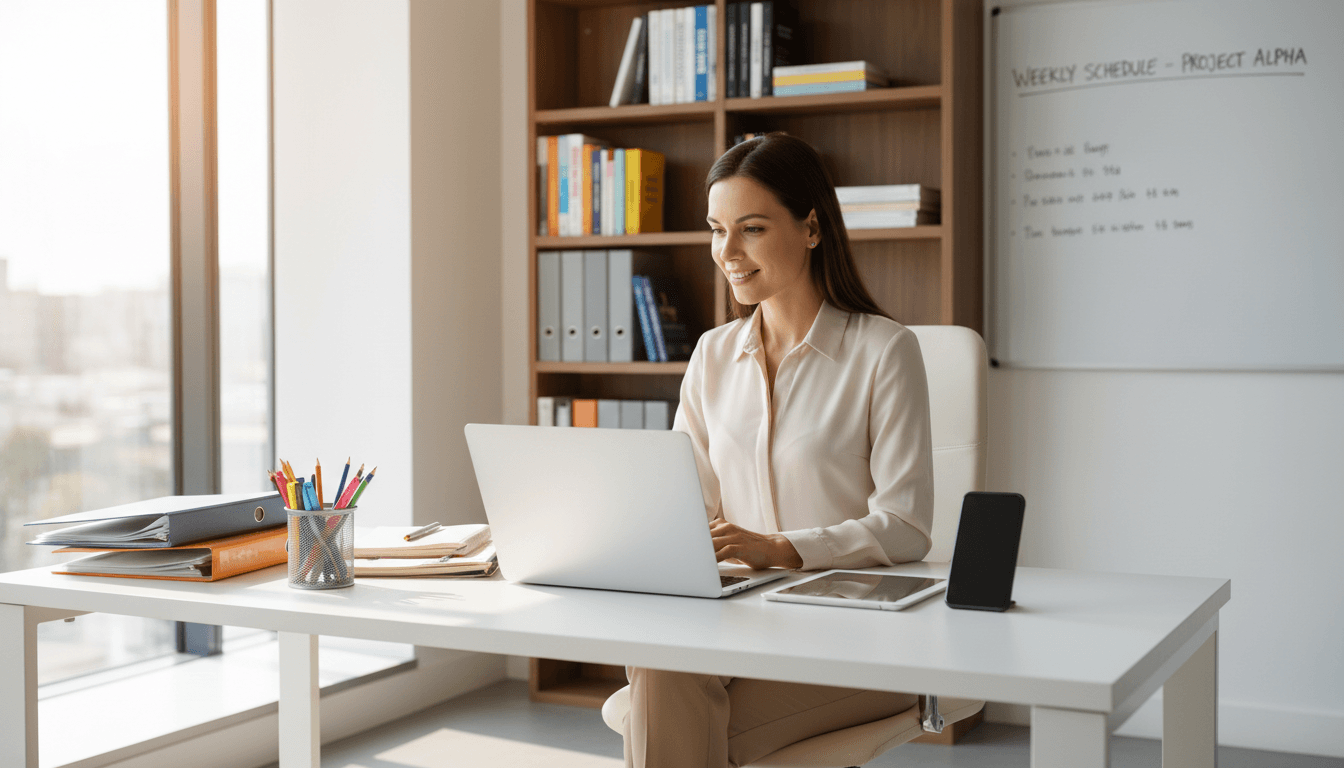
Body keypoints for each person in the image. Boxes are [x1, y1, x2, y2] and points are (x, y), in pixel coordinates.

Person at [619, 133, 936, 768]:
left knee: (681, 730)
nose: (727, 253)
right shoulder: (713, 354)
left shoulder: (885, 351)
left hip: (854, 635)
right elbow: (685, 501)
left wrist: (780, 549)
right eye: (715, 230)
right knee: (659, 666)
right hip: (737, 621)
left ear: (812, 228)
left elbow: (906, 528)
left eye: (752, 229)